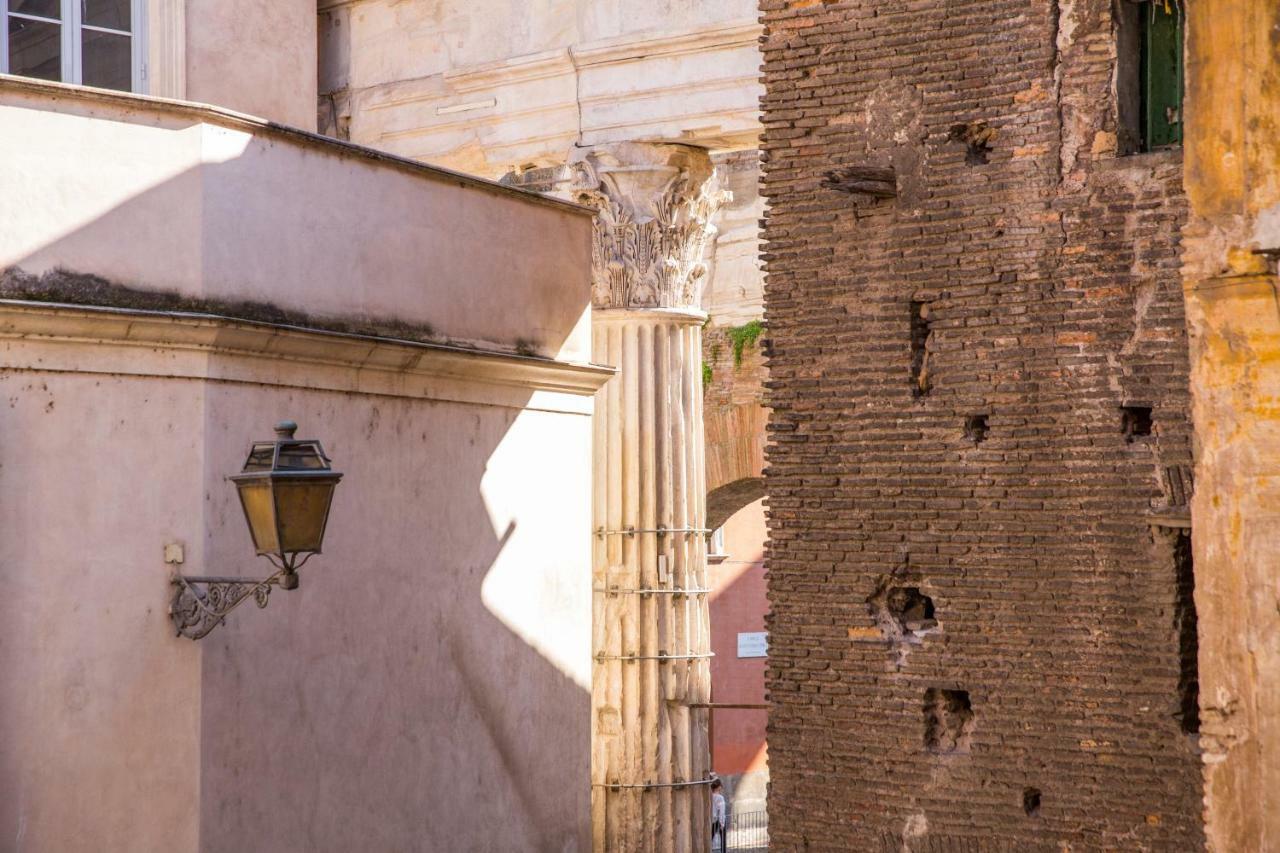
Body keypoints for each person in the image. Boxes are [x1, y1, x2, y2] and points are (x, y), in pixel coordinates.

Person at [710, 778, 727, 851]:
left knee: (710, 837)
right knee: (723, 839)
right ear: (719, 787)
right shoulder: (720, 798)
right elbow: (722, 811)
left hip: (711, 820)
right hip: (719, 820)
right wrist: (722, 823)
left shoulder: (709, 796)